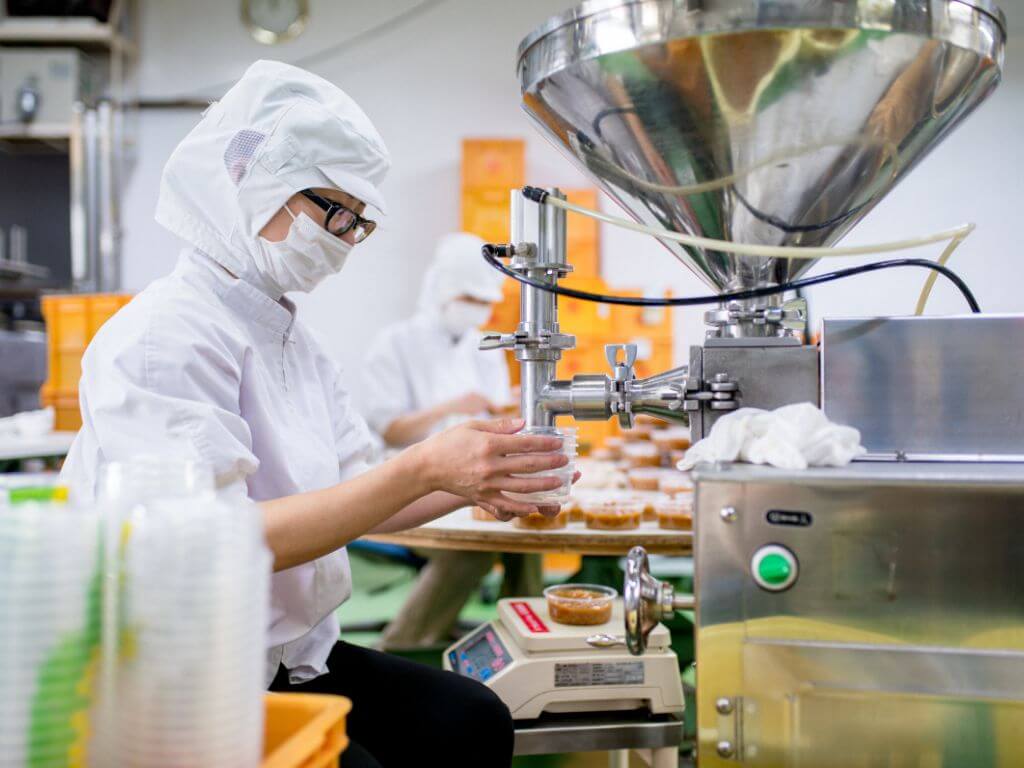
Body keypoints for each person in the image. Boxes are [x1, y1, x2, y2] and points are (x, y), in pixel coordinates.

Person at [59, 60, 567, 768]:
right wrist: (427, 464)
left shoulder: (291, 339)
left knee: (470, 719)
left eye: (359, 224)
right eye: (336, 212)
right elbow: (217, 543)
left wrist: (473, 482)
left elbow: (360, 489)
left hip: (288, 652)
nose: (344, 238)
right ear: (252, 183)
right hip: (189, 676)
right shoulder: (161, 339)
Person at [359, 235, 541, 650]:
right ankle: (406, 645)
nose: (476, 308)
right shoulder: (396, 343)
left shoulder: (485, 346)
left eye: (484, 300)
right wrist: (451, 407)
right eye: (468, 297)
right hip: (410, 485)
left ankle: (527, 640)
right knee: (474, 547)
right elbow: (391, 431)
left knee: (525, 531)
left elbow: (497, 418)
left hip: (475, 479)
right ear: (441, 289)